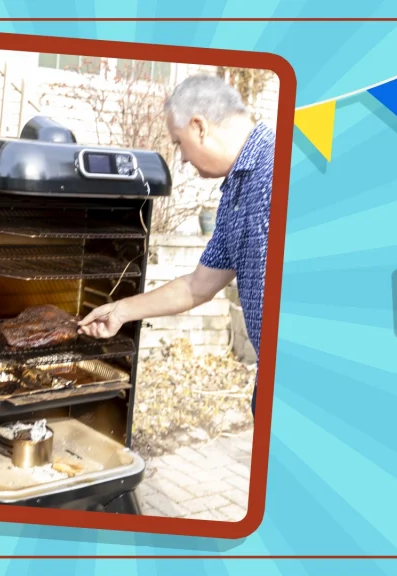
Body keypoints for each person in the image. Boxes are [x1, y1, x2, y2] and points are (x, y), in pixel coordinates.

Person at [78, 73, 275, 417]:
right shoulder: (235, 193)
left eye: (179, 142)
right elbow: (196, 286)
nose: (181, 158)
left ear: (199, 126)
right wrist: (119, 312)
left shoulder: (279, 167)